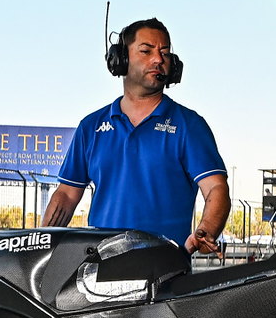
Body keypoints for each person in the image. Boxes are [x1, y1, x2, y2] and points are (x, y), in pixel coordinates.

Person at [43, 18, 229, 255]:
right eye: (146, 50)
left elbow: (216, 187)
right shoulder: (91, 127)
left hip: (166, 266)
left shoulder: (189, 125)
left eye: (165, 52)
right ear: (121, 59)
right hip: (101, 264)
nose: (158, 59)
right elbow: (67, 194)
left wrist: (207, 230)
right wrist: (43, 244)